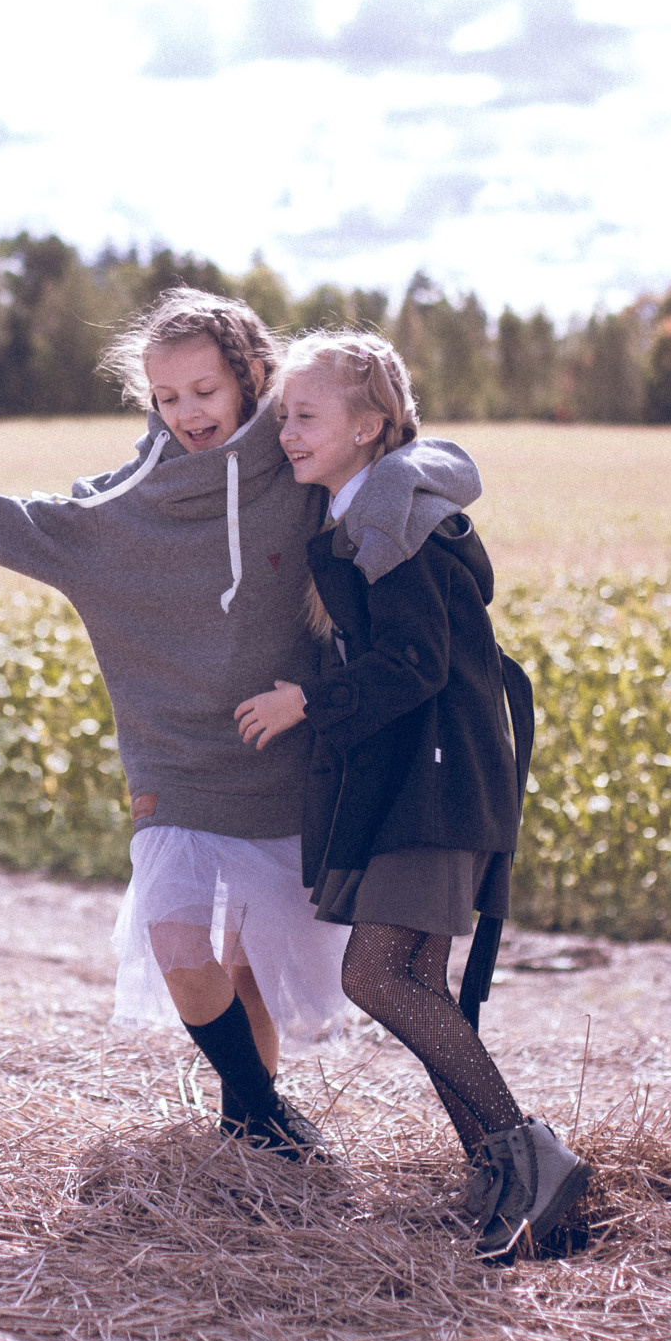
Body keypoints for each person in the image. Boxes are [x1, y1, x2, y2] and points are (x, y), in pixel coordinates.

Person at [0, 288, 479, 1160]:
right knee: (179, 945)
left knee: (252, 968)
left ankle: (256, 1134)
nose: (187, 412)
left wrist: (421, 488)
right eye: (167, 395)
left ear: (251, 376)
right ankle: (261, 1109)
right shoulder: (111, 519)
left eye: (205, 391)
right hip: (174, 766)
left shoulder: (298, 461)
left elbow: (414, 457)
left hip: (293, 764)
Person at [234, 329, 589, 1257]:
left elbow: (419, 662)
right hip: (431, 781)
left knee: (377, 976)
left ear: (369, 425)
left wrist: (309, 699)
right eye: (285, 418)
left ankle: (532, 1155)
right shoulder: (369, 511)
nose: (288, 433)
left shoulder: (398, 522)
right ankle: (503, 1179)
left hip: (438, 785)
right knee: (415, 980)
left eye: (305, 415)